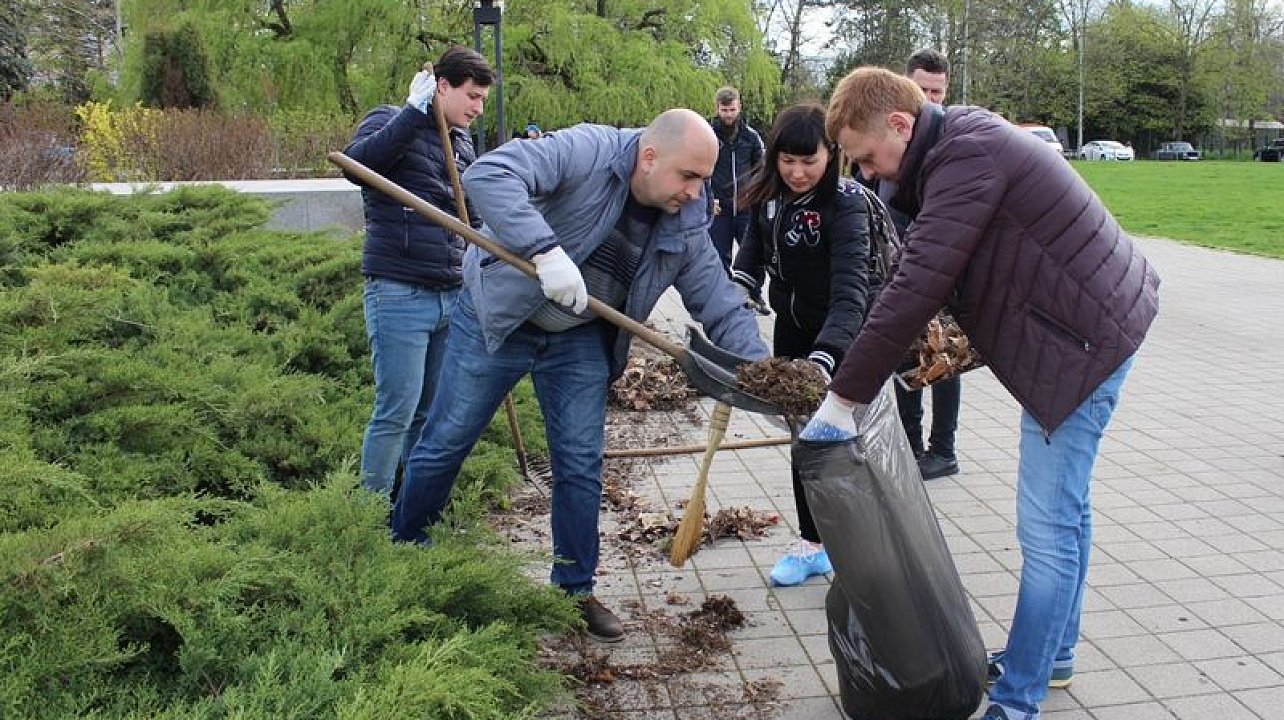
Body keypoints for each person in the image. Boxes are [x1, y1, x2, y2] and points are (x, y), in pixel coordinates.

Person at [807, 67, 1160, 720]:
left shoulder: (966, 155)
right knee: (1069, 511)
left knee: (1047, 528)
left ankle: (1019, 697)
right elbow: (920, 272)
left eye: (867, 159)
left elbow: (918, 284)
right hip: (1093, 328)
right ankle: (1052, 655)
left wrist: (842, 400)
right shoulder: (954, 144)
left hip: (1081, 349)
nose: (868, 175)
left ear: (901, 125)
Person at [391, 109, 770, 643]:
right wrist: (543, 250)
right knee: (446, 442)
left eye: (704, 179)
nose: (696, 190)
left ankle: (573, 591)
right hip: (502, 318)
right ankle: (404, 552)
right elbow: (489, 175)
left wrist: (765, 372)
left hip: (578, 336)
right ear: (649, 156)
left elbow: (720, 302)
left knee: (579, 463)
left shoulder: (685, 222)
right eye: (689, 176)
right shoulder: (586, 151)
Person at [730, 103, 876, 586]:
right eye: (786, 160)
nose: (796, 172)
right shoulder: (768, 195)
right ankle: (812, 544)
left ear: (831, 154)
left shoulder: (847, 204)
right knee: (802, 439)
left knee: (845, 444)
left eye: (808, 161)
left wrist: (825, 358)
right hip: (790, 333)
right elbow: (752, 252)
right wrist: (737, 290)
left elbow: (851, 291)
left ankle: (863, 548)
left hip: (841, 338)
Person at [343, 46, 494, 499]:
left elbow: (469, 210)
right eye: (471, 95)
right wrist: (412, 114)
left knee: (430, 412)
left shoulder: (462, 141)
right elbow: (358, 166)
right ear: (441, 86)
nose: (477, 107)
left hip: (451, 292)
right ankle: (369, 516)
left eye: (483, 99)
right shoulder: (390, 119)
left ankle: (410, 510)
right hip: (400, 291)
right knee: (396, 410)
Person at [894, 48, 963, 480]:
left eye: (938, 91)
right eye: (923, 90)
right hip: (902, 263)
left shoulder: (955, 137)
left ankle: (944, 449)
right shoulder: (895, 138)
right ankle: (910, 444)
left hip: (946, 267)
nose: (931, 99)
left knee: (945, 359)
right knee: (904, 357)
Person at [708, 86, 765, 274]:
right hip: (718, 208)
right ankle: (720, 296)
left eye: (732, 110)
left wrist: (756, 195)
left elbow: (762, 169)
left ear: (739, 107)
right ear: (717, 108)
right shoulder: (707, 136)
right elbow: (697, 171)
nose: (729, 115)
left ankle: (754, 294)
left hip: (746, 207)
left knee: (753, 254)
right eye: (724, 111)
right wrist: (708, 197)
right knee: (718, 257)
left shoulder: (751, 137)